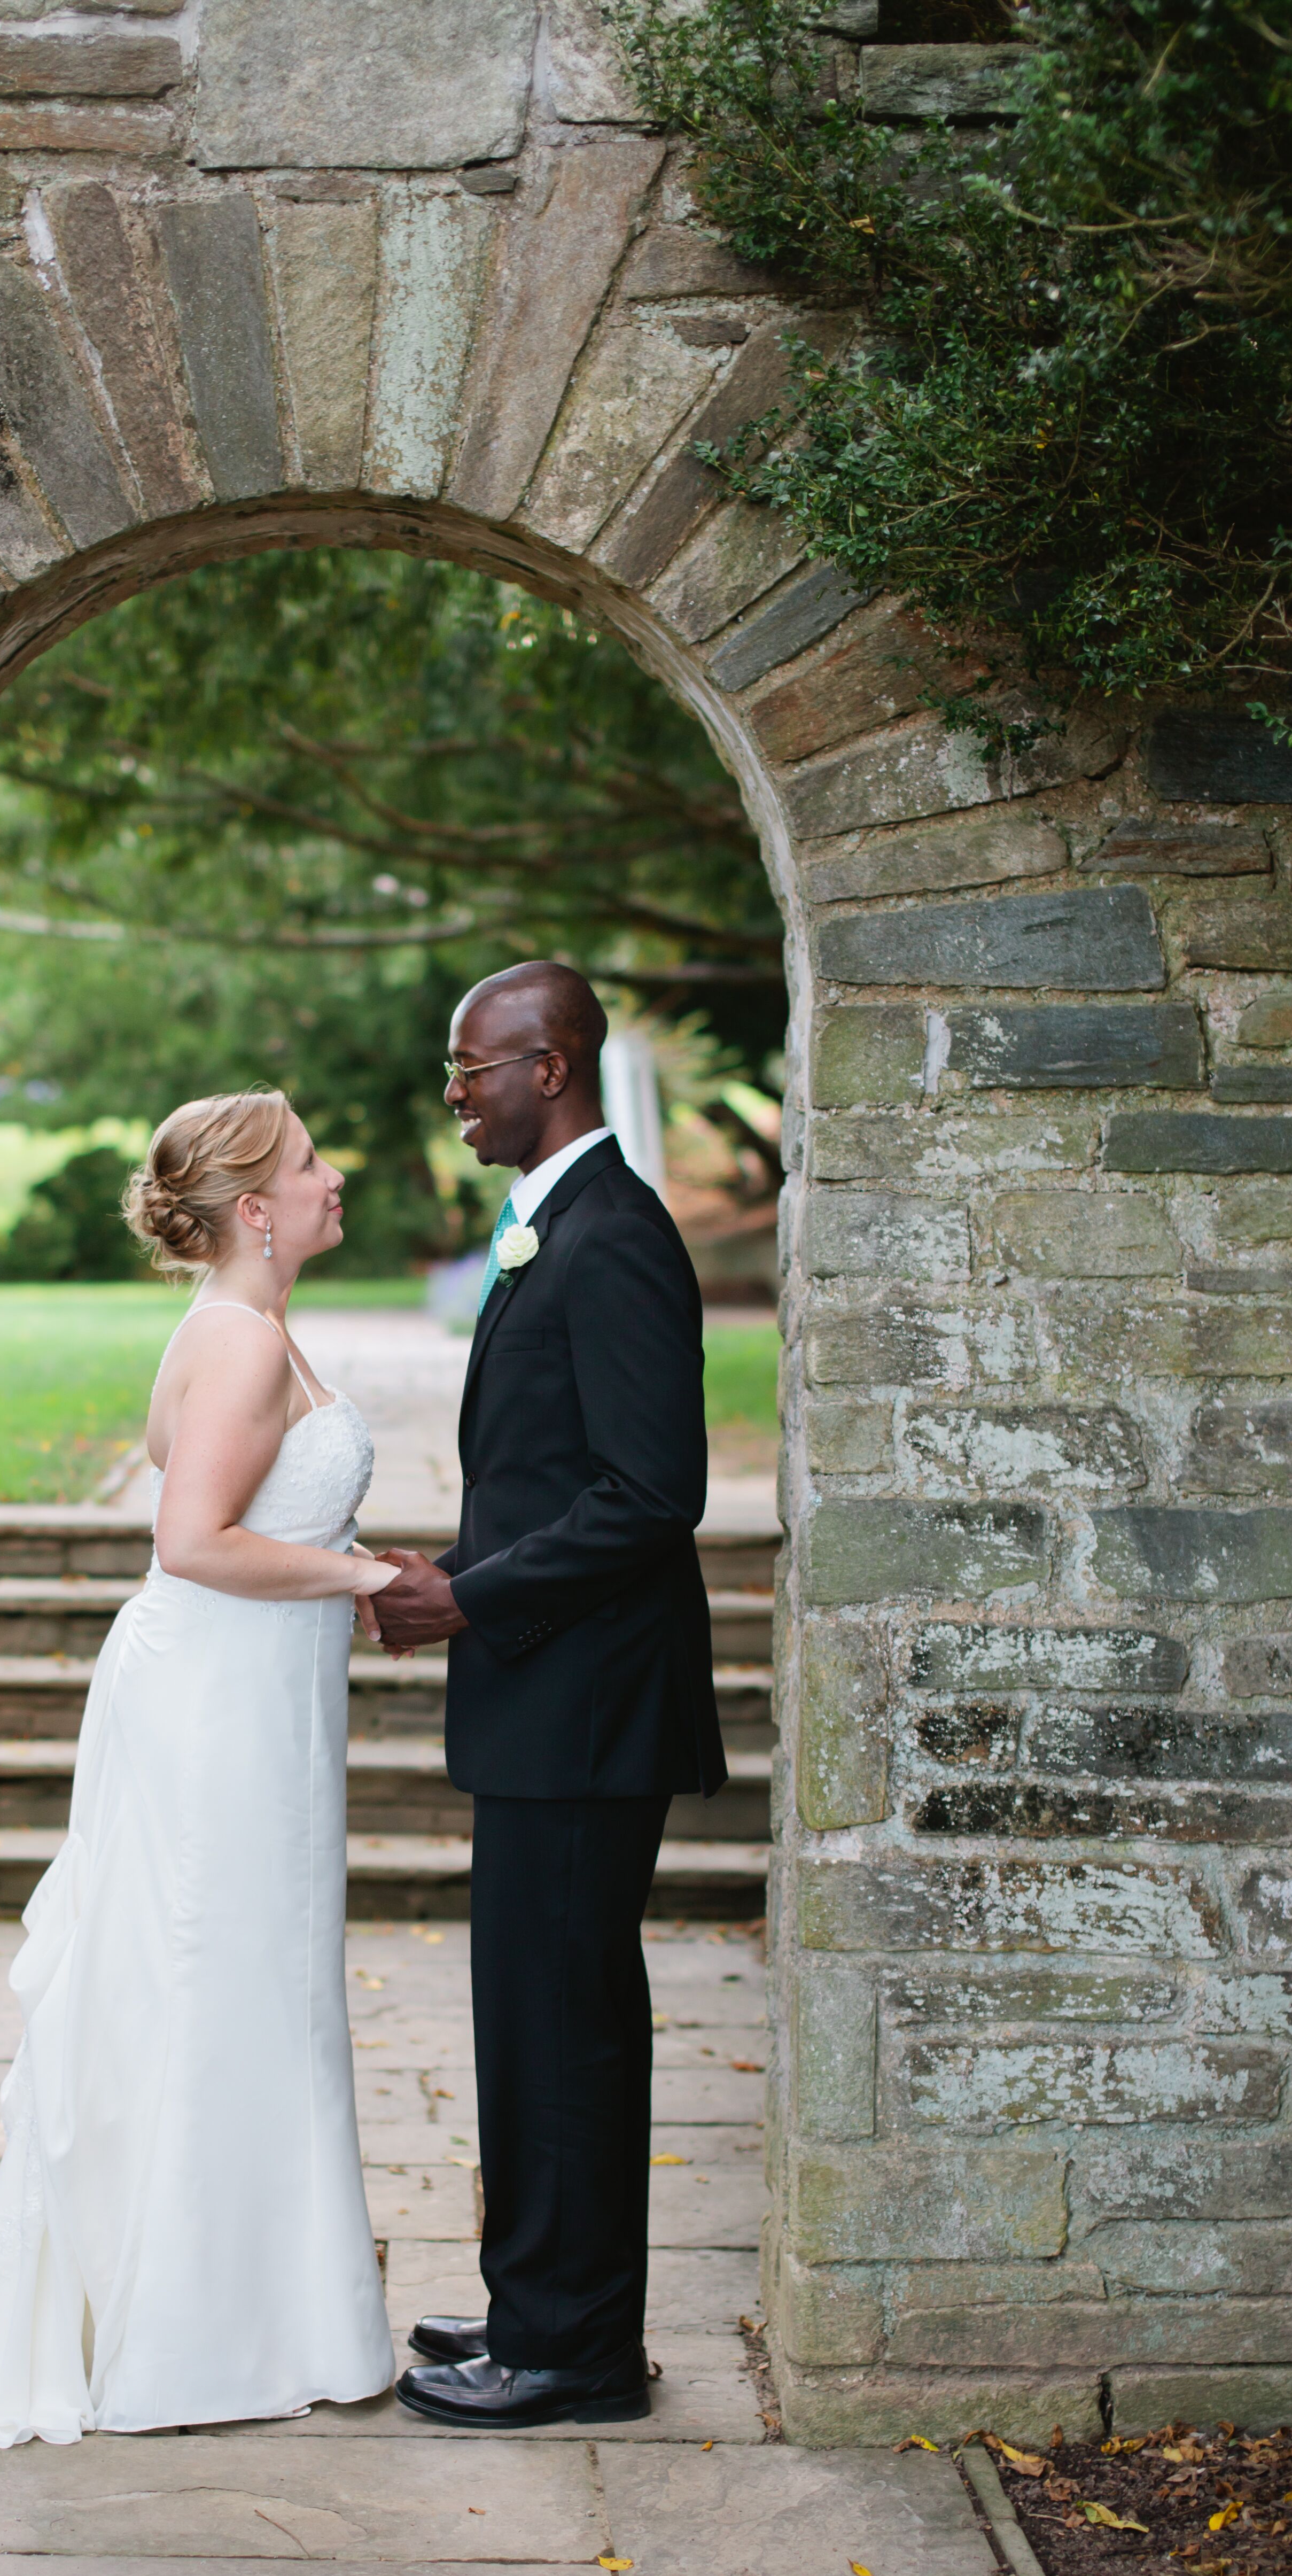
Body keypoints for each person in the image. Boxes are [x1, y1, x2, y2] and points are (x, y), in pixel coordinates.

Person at [0, 1090, 398, 2446]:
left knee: (251, 1981)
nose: (340, 1178)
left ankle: (273, 2309)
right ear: (257, 1209)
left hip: (247, 1692)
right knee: (215, 1979)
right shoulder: (236, 1340)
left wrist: (332, 1566)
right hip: (217, 1701)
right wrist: (361, 1572)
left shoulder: (246, 1327)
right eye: (313, 1162)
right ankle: (199, 2337)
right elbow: (192, 1539)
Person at [362, 962, 727, 2428]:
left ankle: (572, 2351)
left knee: (565, 2025)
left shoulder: (614, 1237)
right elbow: (557, 1479)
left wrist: (469, 1596)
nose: (457, 1094)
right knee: (531, 2015)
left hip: (589, 1712)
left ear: (553, 1066)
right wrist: (465, 1570)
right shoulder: (555, 1225)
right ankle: (540, 2300)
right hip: (547, 1701)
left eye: (474, 1069)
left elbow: (654, 1495)